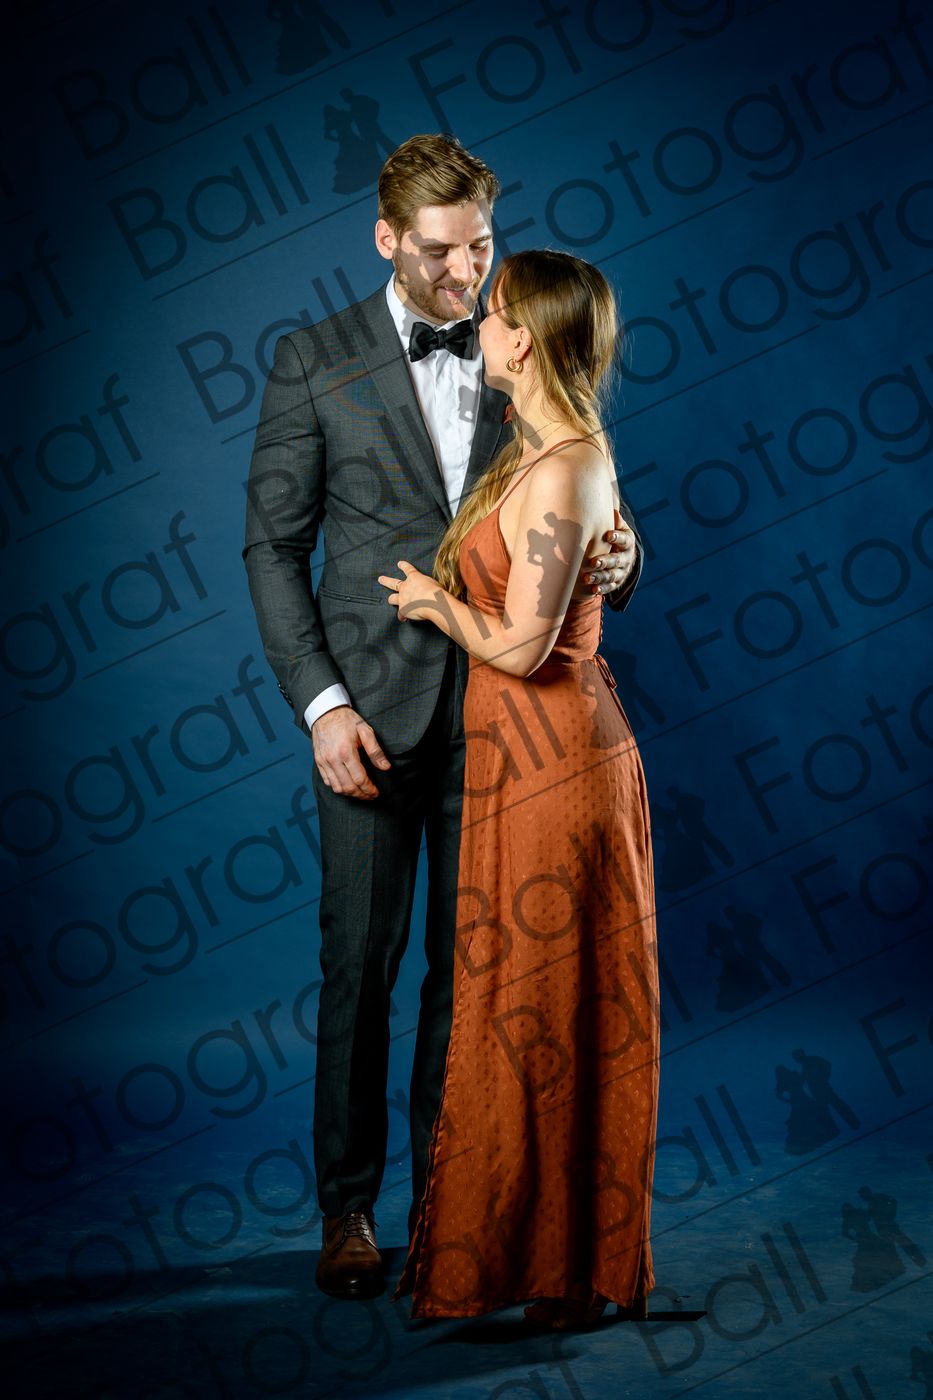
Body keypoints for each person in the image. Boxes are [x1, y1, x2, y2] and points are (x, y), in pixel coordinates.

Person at [243, 135, 643, 1302]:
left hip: (508, 730)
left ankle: (451, 1209)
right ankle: (349, 1210)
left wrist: (624, 559)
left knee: (475, 979)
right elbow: (272, 548)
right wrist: (321, 706)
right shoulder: (313, 360)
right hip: (367, 718)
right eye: (440, 253)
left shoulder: (521, 342)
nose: (468, 275)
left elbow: (575, 491)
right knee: (360, 966)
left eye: (482, 247)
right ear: (386, 241)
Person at [378, 249, 659, 1328]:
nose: (478, 321)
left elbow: (526, 643)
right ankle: (534, 1256)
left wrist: (435, 606)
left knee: (550, 1006)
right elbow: (584, 551)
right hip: (516, 762)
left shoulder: (562, 464)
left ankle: (566, 1266)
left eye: (493, 310)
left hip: (559, 767)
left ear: (525, 339)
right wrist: (620, 554)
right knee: (522, 1004)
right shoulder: (533, 447)